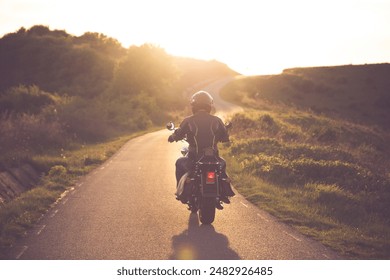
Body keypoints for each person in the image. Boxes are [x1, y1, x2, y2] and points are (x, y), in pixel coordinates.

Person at [168, 91, 235, 207]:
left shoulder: (188, 120)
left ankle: (182, 194)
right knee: (222, 164)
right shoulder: (217, 120)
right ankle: (224, 193)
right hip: (213, 158)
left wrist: (172, 137)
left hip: (194, 158)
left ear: (193, 106)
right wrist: (221, 137)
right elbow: (225, 137)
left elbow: (177, 134)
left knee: (179, 162)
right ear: (209, 105)